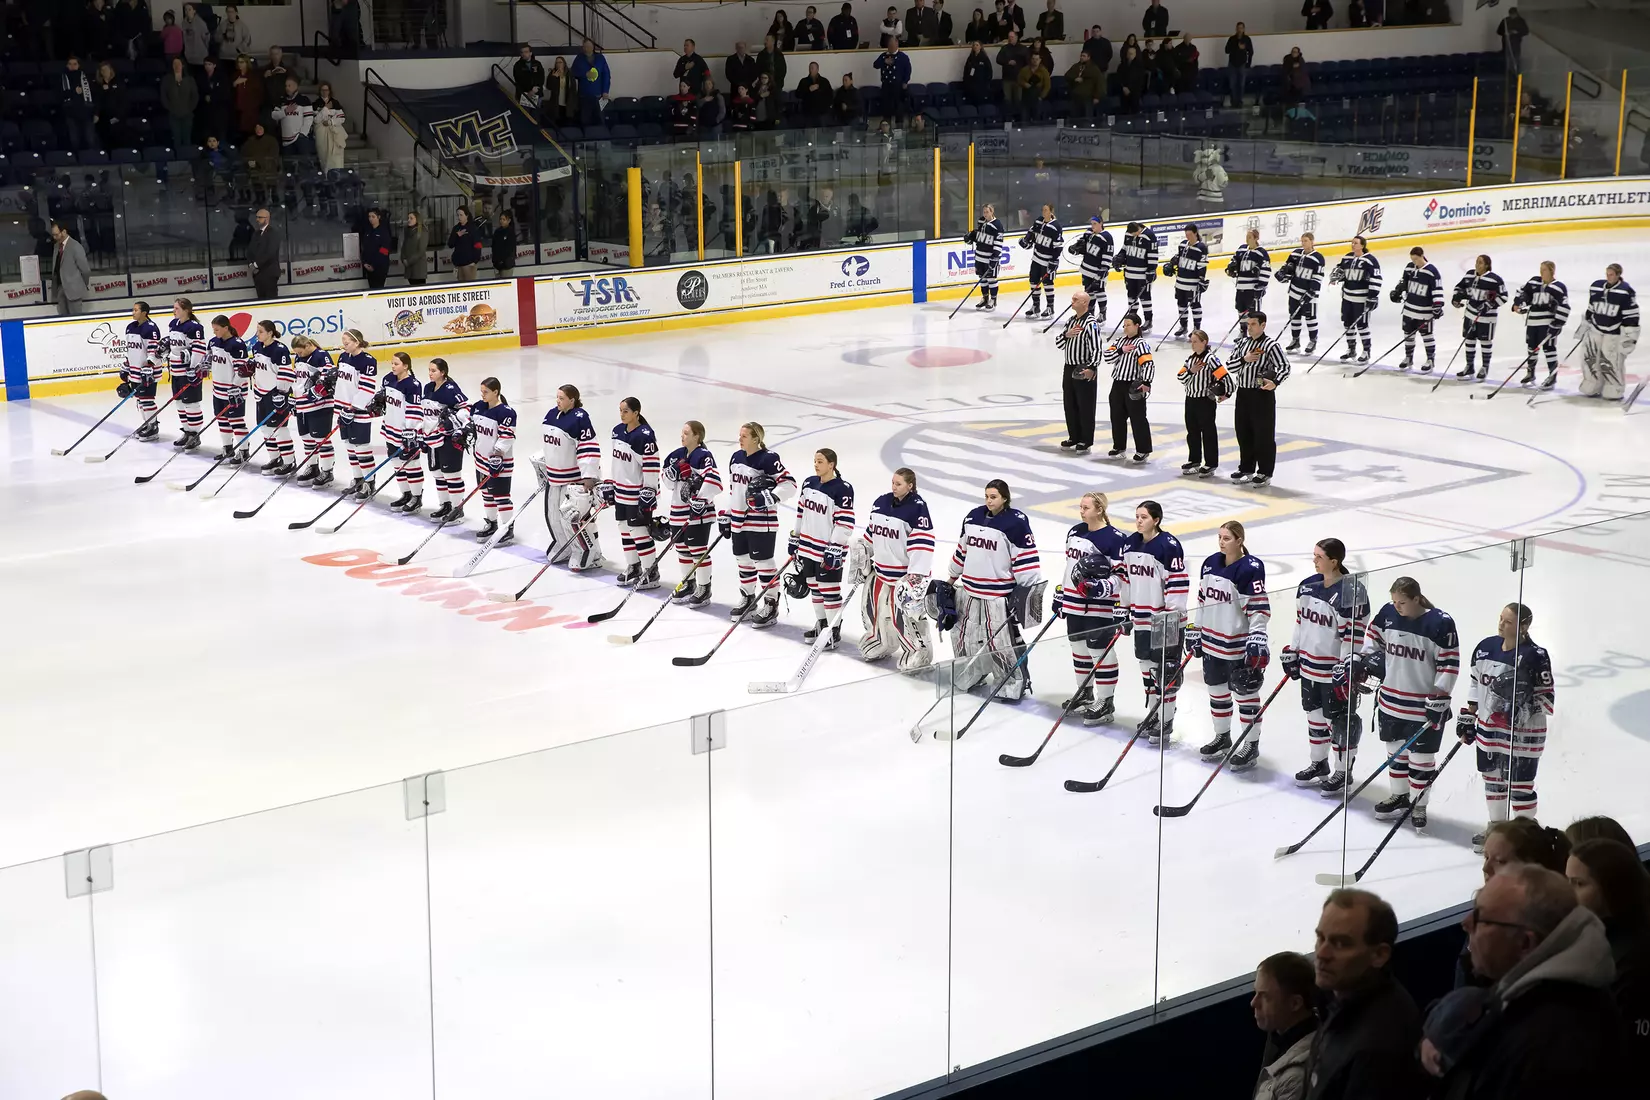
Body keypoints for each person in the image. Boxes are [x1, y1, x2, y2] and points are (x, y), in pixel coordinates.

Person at [1422, 866, 1626, 1096]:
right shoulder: (1528, 991)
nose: (1466, 923)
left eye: (1480, 917)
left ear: (1525, 944)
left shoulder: (1552, 1048)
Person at [1351, 576, 1459, 825]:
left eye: (1402, 602)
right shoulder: (1388, 613)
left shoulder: (1440, 623)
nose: (1397, 606)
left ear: (1416, 599)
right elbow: (1373, 640)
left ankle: (1419, 805)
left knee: (1421, 760)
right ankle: (1399, 796)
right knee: (1395, 754)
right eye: (1394, 601)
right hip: (1390, 700)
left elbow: (1449, 663)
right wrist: (1364, 660)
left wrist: (1441, 694)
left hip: (1422, 706)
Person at [1305, 889, 1424, 1099]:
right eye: (1320, 937)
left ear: (1379, 955)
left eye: (1340, 943)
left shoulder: (1378, 1049)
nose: (1321, 954)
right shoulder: (1344, 999)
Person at [1458, 601, 1555, 850]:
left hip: (1523, 734)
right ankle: (1498, 828)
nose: (1501, 624)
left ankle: (1524, 835)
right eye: (1501, 618)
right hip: (1489, 730)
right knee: (1492, 779)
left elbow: (1547, 698)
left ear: (1524, 626)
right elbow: (1474, 682)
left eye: (1508, 621)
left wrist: (1521, 701)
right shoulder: (1485, 647)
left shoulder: (1536, 656)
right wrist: (1470, 714)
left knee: (1520, 785)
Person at [940, 479, 1044, 701]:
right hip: (969, 591)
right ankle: (972, 673)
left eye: (994, 496)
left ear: (1004, 498)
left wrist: (1025, 593)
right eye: (987, 496)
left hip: (997, 595)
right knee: (965, 637)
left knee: (1001, 642)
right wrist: (950, 578)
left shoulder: (1016, 523)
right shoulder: (972, 517)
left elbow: (1026, 560)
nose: (989, 500)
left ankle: (1011, 682)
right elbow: (962, 551)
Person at [1282, 539, 1370, 790]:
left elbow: (1353, 636)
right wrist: (1294, 651)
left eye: (1319, 557)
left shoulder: (1352, 592)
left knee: (1340, 722)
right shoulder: (1308, 586)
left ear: (1335, 561)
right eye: (1314, 556)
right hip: (1310, 665)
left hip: (1334, 671)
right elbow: (1300, 622)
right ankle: (1318, 763)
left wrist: (1346, 667)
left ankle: (1344, 770)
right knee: (1315, 717)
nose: (1314, 561)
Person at [1190, 520, 1270, 767]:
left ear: (1239, 540)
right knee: (1217, 693)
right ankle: (1222, 737)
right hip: (1212, 642)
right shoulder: (1210, 563)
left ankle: (1250, 744)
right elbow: (1202, 601)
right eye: (1219, 537)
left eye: (1226, 538)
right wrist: (1196, 629)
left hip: (1237, 645)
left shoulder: (1251, 568)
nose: (1221, 542)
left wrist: (1257, 636)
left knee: (1246, 697)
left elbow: (1258, 607)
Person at [1567, 837, 1650, 1071]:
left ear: (1611, 888)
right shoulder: (1589, 940)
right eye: (1567, 882)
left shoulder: (1634, 961)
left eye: (1579, 884)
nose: (1567, 893)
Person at [1050, 492, 1128, 723]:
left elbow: (1121, 577)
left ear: (1099, 510)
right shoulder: (1075, 531)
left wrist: (1101, 588)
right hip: (1074, 603)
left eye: (1086, 507)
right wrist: (1062, 593)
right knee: (1078, 649)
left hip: (1099, 607)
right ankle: (1085, 691)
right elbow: (1070, 566)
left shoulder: (1115, 538)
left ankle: (1106, 701)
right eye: (1080, 506)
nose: (1081, 511)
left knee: (1100, 653)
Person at [852, 467, 936, 671]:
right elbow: (873, 535)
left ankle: (919, 650)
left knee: (906, 617)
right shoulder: (881, 503)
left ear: (910, 485)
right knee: (876, 612)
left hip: (903, 578)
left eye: (899, 484)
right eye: (893, 482)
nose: (894, 487)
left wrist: (916, 578)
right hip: (881, 572)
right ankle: (882, 641)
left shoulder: (917, 508)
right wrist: (864, 550)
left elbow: (922, 546)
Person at [1118, 500, 1187, 741]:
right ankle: (1153, 714)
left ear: (1156, 520)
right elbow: (1125, 580)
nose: (1139, 520)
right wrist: (1123, 607)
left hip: (1163, 621)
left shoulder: (1169, 546)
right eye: (1137, 516)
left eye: (1144, 517)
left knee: (1164, 673)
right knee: (1147, 670)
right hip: (1140, 620)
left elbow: (1177, 586)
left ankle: (1166, 719)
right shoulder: (1130, 544)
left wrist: (1171, 618)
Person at [727, 422, 798, 626]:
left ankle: (770, 603)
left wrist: (767, 497)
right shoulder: (736, 458)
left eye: (744, 436)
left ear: (756, 438)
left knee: (764, 563)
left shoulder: (768, 459)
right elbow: (735, 490)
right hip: (740, 519)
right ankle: (748, 598)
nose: (740, 439)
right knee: (743, 560)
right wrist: (729, 513)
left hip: (761, 521)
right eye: (739, 435)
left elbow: (789, 484)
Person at [785, 449, 856, 647]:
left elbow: (845, 522)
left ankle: (833, 630)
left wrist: (835, 546)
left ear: (831, 464)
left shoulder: (843, 489)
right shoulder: (809, 483)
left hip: (827, 550)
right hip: (808, 547)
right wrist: (795, 537)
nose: (816, 465)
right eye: (814, 461)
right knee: (814, 586)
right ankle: (822, 624)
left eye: (820, 461)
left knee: (829, 589)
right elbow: (801, 512)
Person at [535, 384, 603, 570]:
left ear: (572, 400)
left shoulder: (580, 418)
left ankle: (587, 551)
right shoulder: (550, 414)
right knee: (552, 515)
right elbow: (551, 445)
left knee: (572, 518)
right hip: (554, 477)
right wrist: (542, 465)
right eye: (557, 397)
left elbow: (589, 448)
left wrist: (589, 475)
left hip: (573, 479)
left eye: (562, 398)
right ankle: (562, 545)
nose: (558, 401)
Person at [596, 396, 662, 588]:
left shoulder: (645, 435)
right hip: (621, 492)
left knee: (639, 532)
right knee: (624, 529)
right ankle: (634, 566)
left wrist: (649, 493)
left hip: (638, 494)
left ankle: (651, 571)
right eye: (621, 411)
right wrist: (612, 482)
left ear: (636, 412)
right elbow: (618, 462)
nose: (622, 414)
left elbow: (651, 467)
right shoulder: (617, 431)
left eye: (626, 411)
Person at [657, 420, 722, 603]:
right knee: (682, 550)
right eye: (682, 432)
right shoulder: (675, 455)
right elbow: (668, 484)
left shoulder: (704, 456)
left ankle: (704, 588)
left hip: (698, 513)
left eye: (686, 433)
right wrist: (673, 473)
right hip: (678, 511)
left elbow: (715, 482)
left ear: (697, 436)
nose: (682, 436)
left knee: (697, 550)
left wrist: (700, 499)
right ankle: (688, 584)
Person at [1228, 311, 1290, 487]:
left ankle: (1264, 471)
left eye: (1253, 324)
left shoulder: (1271, 345)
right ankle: (1246, 467)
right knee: (1243, 431)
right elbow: (1230, 365)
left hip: (1261, 394)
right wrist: (1244, 359)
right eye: (1248, 324)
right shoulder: (1242, 344)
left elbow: (1284, 367)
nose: (1249, 328)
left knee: (1263, 435)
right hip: (1243, 393)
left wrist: (1275, 382)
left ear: (1263, 325)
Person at [1253, 951, 1318, 1100]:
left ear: (1295, 1003)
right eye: (1255, 992)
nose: (1253, 1003)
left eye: (1265, 997)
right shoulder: (1278, 1037)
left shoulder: (1296, 1077)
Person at [416, 358, 468, 520]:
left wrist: (451, 422)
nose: (430, 374)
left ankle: (457, 507)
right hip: (432, 439)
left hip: (448, 440)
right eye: (429, 370)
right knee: (438, 474)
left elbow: (466, 409)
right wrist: (421, 434)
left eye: (434, 371)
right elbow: (425, 413)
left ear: (443, 372)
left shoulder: (450, 389)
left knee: (451, 475)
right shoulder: (428, 387)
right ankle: (445, 505)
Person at [468, 377, 518, 543]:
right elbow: (470, 425)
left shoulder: (506, 412)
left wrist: (497, 456)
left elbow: (507, 437)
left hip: (499, 463)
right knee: (486, 494)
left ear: (496, 392)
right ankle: (492, 524)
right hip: (481, 461)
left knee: (501, 496)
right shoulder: (479, 407)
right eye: (481, 391)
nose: (482, 395)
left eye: (486, 392)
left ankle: (507, 528)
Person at [1580, 262, 1639, 401]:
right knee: (1590, 357)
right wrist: (1586, 323)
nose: (1608, 277)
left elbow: (1631, 316)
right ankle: (1592, 383)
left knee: (1610, 360)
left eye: (1611, 274)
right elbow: (1591, 308)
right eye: (1607, 274)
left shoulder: (1625, 292)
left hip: (1613, 332)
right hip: (1596, 329)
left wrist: (1629, 336)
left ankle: (1614, 387)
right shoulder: (1596, 287)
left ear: (1618, 275)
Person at [1505, 260, 1568, 389]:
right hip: (1532, 322)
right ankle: (1531, 373)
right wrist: (1518, 303)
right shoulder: (1534, 282)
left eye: (1544, 270)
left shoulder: (1558, 287)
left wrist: (1557, 324)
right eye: (1540, 269)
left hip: (1547, 324)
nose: (1541, 272)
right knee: (1531, 347)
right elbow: (1522, 292)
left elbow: (1565, 307)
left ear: (1552, 271)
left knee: (1549, 349)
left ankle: (1552, 376)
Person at [1055, 291, 1103, 452]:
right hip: (1068, 367)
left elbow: (1096, 348)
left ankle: (1086, 439)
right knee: (1070, 403)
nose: (1072, 301)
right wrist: (1067, 335)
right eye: (1072, 298)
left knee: (1085, 405)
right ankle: (1074, 436)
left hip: (1084, 368)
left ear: (1085, 303)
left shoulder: (1091, 323)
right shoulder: (1070, 321)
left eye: (1076, 299)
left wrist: (1092, 368)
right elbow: (1059, 343)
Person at [1176, 330, 1229, 476]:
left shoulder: (1211, 360)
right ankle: (1194, 460)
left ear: (1204, 342)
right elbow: (1180, 377)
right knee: (1192, 432)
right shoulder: (1190, 359)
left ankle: (1211, 463)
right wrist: (1191, 371)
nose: (1192, 345)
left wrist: (1226, 394)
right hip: (1190, 399)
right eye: (1191, 342)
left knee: (1208, 433)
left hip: (1205, 401)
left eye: (1195, 341)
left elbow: (1226, 379)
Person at [333, 329, 378, 498]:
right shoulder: (343, 357)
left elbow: (367, 390)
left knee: (362, 448)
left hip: (358, 411)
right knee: (350, 447)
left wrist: (353, 408)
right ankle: (358, 480)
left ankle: (369, 483)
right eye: (343, 343)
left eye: (347, 343)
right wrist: (340, 408)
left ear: (357, 342)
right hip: (343, 410)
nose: (344, 345)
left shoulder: (368, 361)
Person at [1447, 254, 1507, 381]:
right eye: (1476, 262)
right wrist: (1456, 298)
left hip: (1487, 318)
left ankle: (1485, 367)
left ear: (1486, 265)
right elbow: (1459, 287)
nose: (1476, 265)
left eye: (1480, 262)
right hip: (1470, 314)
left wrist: (1489, 305)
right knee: (1469, 340)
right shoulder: (1469, 275)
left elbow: (1504, 297)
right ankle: (1469, 366)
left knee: (1485, 342)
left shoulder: (1495, 280)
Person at [1386, 245, 1445, 372]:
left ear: (1422, 256)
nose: (1414, 262)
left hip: (1424, 311)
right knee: (1408, 334)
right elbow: (1404, 283)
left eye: (1416, 259)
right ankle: (1408, 358)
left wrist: (1438, 305)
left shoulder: (1431, 272)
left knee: (1427, 335)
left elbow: (1437, 290)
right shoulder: (1409, 267)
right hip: (1409, 309)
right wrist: (1398, 291)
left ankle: (1430, 359)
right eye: (1412, 260)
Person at [287, 335, 336, 486]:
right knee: (307, 438)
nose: (298, 355)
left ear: (308, 345)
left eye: (300, 352)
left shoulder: (321, 356)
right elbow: (298, 381)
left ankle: (327, 472)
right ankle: (313, 467)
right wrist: (293, 397)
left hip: (320, 405)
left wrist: (316, 389)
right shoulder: (299, 358)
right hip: (303, 405)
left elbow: (330, 380)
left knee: (321, 440)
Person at [379, 351, 426, 511]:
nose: (393, 366)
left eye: (396, 364)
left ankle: (416, 497)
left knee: (411, 464)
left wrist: (410, 431)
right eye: (392, 363)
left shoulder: (413, 385)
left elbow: (414, 411)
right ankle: (405, 494)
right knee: (397, 463)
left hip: (406, 433)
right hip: (390, 429)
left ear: (405, 366)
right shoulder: (387, 379)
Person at [248, 318, 295, 473]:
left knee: (280, 429)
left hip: (276, 395)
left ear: (270, 333)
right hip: (260, 393)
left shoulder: (280, 349)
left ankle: (289, 461)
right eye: (257, 331)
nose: (257, 334)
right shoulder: (256, 347)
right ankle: (275, 458)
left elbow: (286, 374)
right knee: (266, 428)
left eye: (260, 332)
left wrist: (282, 393)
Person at [163, 297, 208, 451]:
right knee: (180, 403)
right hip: (176, 372)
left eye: (177, 308)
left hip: (189, 373)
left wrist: (193, 369)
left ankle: (195, 435)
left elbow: (199, 349)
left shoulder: (194, 327)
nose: (173, 311)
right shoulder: (173, 324)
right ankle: (187, 431)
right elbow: (173, 346)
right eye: (174, 308)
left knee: (191, 404)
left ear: (186, 310)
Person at [206, 313, 251, 463]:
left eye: (217, 329)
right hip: (218, 389)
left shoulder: (237, 344)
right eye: (213, 330)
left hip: (234, 391)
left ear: (226, 328)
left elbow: (242, 371)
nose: (215, 333)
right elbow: (209, 361)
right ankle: (228, 448)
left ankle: (244, 450)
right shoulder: (213, 342)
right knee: (222, 420)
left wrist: (234, 387)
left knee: (236, 420)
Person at [1329, 235, 1381, 364]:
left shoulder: (1370, 261)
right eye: (1352, 243)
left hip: (1361, 299)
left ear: (1362, 245)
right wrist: (1337, 277)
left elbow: (1376, 279)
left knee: (1362, 326)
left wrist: (1372, 296)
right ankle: (1351, 349)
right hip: (1347, 298)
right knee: (1348, 324)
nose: (1353, 245)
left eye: (1356, 243)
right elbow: (1340, 271)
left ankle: (1366, 351)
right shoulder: (1347, 257)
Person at [1276, 232, 1327, 354]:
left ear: (1312, 241)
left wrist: (1311, 292)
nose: (1303, 243)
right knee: (1294, 316)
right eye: (1302, 241)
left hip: (1309, 295)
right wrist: (1282, 275)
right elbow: (1288, 268)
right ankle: (1295, 340)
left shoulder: (1318, 258)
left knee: (1310, 317)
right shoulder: (1295, 254)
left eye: (1306, 241)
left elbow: (1318, 277)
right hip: (1294, 292)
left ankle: (1313, 341)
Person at [1111, 221, 1158, 333]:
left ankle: (1148, 320)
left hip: (1142, 274)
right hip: (1129, 273)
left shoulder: (1149, 236)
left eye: (1135, 233)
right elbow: (1124, 249)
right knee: (1131, 297)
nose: (1133, 236)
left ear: (1138, 228)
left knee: (1145, 297)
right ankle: (1132, 318)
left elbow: (1153, 254)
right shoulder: (1128, 234)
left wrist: (1151, 270)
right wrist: (1119, 258)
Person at [1164, 222, 1209, 337]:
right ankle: (1183, 326)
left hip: (1192, 283)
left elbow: (1202, 265)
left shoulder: (1201, 248)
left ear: (1195, 233)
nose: (1187, 237)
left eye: (1189, 234)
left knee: (1195, 305)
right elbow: (1178, 257)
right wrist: (1172, 263)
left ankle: (1196, 328)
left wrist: (1201, 280)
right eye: (1186, 234)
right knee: (1181, 304)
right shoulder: (1183, 245)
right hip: (1180, 282)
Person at [1018, 204, 1061, 318]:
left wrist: (1054, 261)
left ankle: (1050, 308)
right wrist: (1026, 241)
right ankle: (1035, 306)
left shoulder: (1056, 227)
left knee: (1047, 284)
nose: (1043, 212)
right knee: (1033, 282)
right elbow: (1031, 233)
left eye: (1046, 210)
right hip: (1036, 259)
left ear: (1051, 211)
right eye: (1043, 210)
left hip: (1047, 261)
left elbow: (1058, 246)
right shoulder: (1038, 221)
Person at [966, 203, 1005, 311]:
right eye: (984, 212)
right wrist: (971, 238)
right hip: (979, 256)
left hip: (989, 258)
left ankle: (993, 300)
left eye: (987, 212)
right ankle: (985, 298)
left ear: (992, 212)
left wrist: (995, 258)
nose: (985, 214)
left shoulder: (997, 225)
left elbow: (998, 243)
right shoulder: (981, 221)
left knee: (991, 279)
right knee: (982, 278)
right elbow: (979, 236)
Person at [1227, 226, 1271, 322]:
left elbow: (1266, 270)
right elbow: (1233, 260)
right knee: (1240, 310)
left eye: (1250, 237)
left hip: (1252, 289)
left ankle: (1253, 335)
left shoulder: (1261, 253)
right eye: (1247, 237)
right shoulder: (1241, 249)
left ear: (1256, 238)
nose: (1247, 239)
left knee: (1253, 314)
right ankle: (1243, 333)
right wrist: (1230, 268)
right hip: (1240, 287)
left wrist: (1261, 287)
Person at [49, 220, 90, 317]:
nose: (54, 237)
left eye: (56, 235)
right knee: (63, 320)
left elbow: (86, 270)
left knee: (76, 320)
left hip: (74, 291)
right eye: (53, 235)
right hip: (60, 289)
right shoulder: (56, 247)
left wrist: (80, 285)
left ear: (64, 232)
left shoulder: (76, 246)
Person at [60, 57, 99, 153]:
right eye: (70, 64)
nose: (72, 66)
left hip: (87, 112)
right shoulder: (62, 78)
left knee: (90, 139)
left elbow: (96, 97)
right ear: (67, 65)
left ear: (79, 65)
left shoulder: (88, 78)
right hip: (71, 113)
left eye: (75, 64)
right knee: (74, 140)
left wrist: (96, 113)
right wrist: (73, 91)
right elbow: (59, 96)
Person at [270, 75, 314, 158]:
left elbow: (309, 118)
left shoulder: (304, 100)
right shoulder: (281, 100)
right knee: (289, 165)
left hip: (300, 138)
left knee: (304, 163)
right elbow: (274, 115)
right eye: (286, 86)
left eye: (289, 85)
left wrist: (302, 134)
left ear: (296, 86)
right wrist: (285, 111)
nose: (287, 88)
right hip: (286, 140)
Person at [161, 56, 199, 152]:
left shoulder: (190, 80)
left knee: (187, 139)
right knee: (176, 139)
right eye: (175, 64)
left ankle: (188, 158)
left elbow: (195, 96)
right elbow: (163, 96)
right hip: (173, 114)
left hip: (187, 114)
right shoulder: (167, 79)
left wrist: (189, 109)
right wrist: (171, 108)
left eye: (178, 64)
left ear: (183, 65)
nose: (177, 66)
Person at [571, 38, 610, 127]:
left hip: (598, 95)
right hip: (584, 95)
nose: (587, 48)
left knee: (600, 119)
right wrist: (585, 74)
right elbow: (573, 72)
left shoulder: (600, 58)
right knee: (585, 120)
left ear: (593, 47)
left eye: (589, 46)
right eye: (585, 46)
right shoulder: (579, 58)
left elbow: (606, 75)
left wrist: (605, 91)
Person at [874, 38, 912, 122]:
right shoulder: (884, 55)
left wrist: (905, 81)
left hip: (898, 87)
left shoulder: (903, 57)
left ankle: (899, 131)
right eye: (889, 45)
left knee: (899, 110)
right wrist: (884, 61)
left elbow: (908, 70)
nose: (890, 47)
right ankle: (886, 131)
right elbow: (875, 65)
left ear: (897, 44)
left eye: (892, 45)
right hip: (886, 87)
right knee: (886, 111)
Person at [997, 31, 1030, 119]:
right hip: (1007, 78)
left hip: (1019, 78)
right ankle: (1008, 118)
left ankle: (1019, 119)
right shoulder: (1005, 48)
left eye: (1012, 37)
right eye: (1009, 37)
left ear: (1016, 37)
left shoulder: (1023, 49)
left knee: (1018, 99)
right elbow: (998, 59)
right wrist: (1007, 62)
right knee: (1007, 99)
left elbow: (1028, 63)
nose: (1010, 38)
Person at [249, 207, 280, 299]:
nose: (257, 220)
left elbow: (270, 252)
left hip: (269, 273)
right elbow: (250, 250)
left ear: (267, 218)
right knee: (261, 299)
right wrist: (251, 264)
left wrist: (256, 265)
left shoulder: (273, 233)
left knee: (270, 299)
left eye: (260, 217)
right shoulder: (256, 234)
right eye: (256, 217)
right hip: (258, 275)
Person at [232, 55, 263, 140]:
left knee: (250, 131)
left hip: (251, 110)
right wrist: (234, 84)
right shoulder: (235, 75)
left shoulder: (253, 76)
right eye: (238, 62)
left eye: (242, 62)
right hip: (238, 110)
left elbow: (258, 92)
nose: (240, 64)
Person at [447, 205, 482, 281]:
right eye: (458, 215)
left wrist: (475, 261)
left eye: (461, 215)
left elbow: (478, 245)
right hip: (459, 264)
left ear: (467, 215)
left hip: (469, 264)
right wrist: (457, 235)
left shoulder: (472, 228)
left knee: (469, 287)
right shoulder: (456, 228)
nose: (459, 217)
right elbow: (450, 244)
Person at [1225, 21, 1254, 107]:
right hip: (1232, 64)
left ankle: (1240, 102)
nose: (1239, 30)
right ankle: (1233, 102)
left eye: (1241, 28)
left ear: (1244, 29)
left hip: (1242, 64)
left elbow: (1251, 52)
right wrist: (1236, 46)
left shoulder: (1247, 39)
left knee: (1241, 85)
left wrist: (1249, 63)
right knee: (1232, 85)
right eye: (1238, 28)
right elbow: (1226, 50)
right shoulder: (1232, 39)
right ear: (1236, 29)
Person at [1065, 53, 1103, 117]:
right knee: (1075, 116)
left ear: (1088, 57)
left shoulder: (1094, 68)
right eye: (1081, 56)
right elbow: (1067, 75)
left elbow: (1099, 83)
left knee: (1087, 116)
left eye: (1084, 56)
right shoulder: (1076, 66)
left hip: (1088, 96)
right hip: (1076, 95)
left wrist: (1097, 96)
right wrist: (1074, 78)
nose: (1082, 57)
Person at [542, 56, 575, 127]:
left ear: (564, 63)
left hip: (568, 102)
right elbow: (548, 86)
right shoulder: (553, 73)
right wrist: (554, 77)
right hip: (556, 102)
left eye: (560, 62)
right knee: (557, 121)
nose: (558, 64)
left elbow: (573, 88)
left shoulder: (569, 73)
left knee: (567, 122)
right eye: (556, 63)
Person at [1019, 51, 1051, 121]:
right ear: (1031, 60)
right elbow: (1019, 80)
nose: (1035, 61)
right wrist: (1024, 83)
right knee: (1024, 118)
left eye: (1037, 59)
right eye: (1033, 59)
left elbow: (1047, 85)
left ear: (1040, 60)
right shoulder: (1025, 70)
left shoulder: (1044, 71)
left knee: (1037, 119)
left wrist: (1041, 97)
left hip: (1037, 96)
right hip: (1026, 96)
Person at [1498, 6, 1528, 71]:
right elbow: (1499, 31)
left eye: (1513, 14)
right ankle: (1507, 71)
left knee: (1516, 58)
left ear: (1516, 14)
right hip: (1506, 43)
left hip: (1516, 43)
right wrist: (1505, 33)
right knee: (1507, 58)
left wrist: (1517, 32)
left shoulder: (1521, 21)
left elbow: (1526, 31)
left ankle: (1515, 71)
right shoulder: (1505, 21)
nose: (1512, 16)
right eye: (1511, 14)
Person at [963, 40, 993, 105]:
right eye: (974, 45)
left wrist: (986, 82)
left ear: (980, 47)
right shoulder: (970, 58)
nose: (975, 47)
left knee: (980, 102)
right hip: (971, 84)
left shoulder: (984, 58)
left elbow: (989, 71)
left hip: (981, 85)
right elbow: (966, 70)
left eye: (977, 45)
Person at [492, 210, 517, 278]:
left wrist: (502, 260)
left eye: (504, 219)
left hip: (507, 265)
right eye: (500, 219)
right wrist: (495, 261)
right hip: (497, 265)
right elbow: (494, 247)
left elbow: (509, 249)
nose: (501, 221)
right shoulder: (497, 232)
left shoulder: (510, 232)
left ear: (509, 221)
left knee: (505, 284)